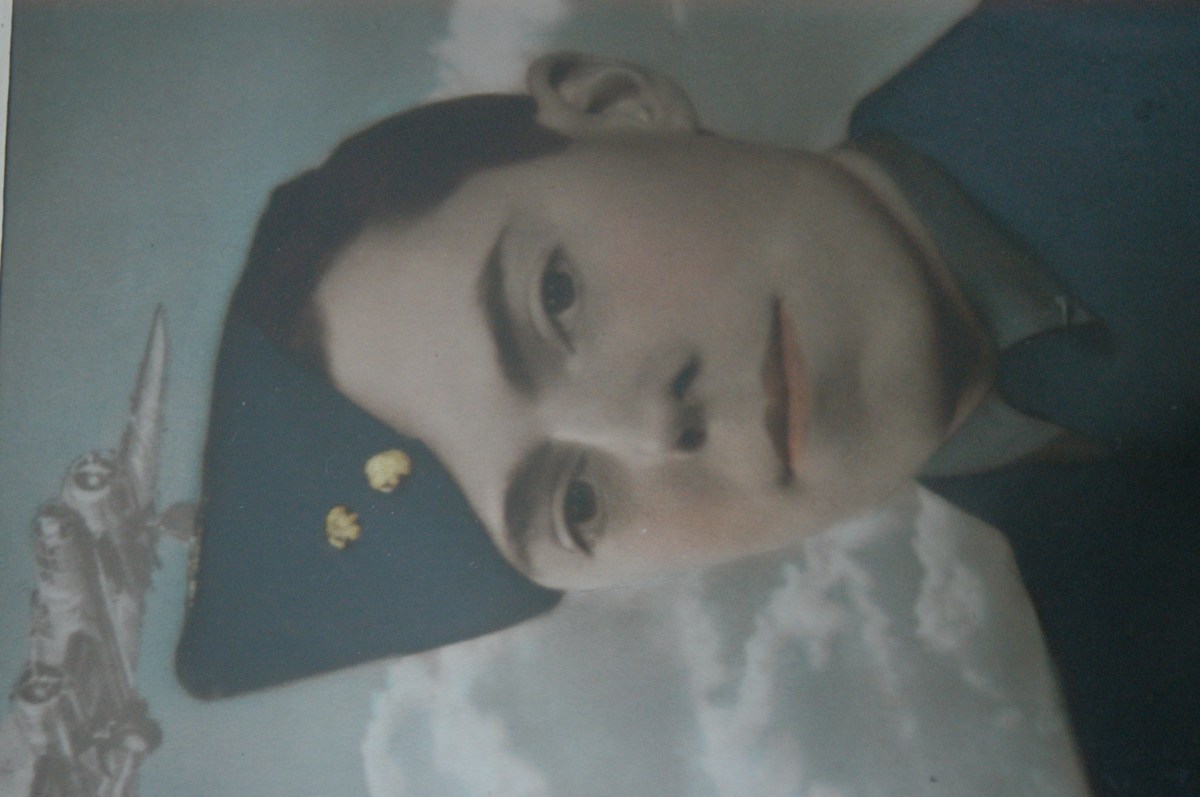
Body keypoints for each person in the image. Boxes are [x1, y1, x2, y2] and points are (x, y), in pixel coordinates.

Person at [178, 5, 1198, 793]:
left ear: (618, 102)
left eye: (556, 297)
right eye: (577, 503)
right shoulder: (1149, 707)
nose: (652, 427)